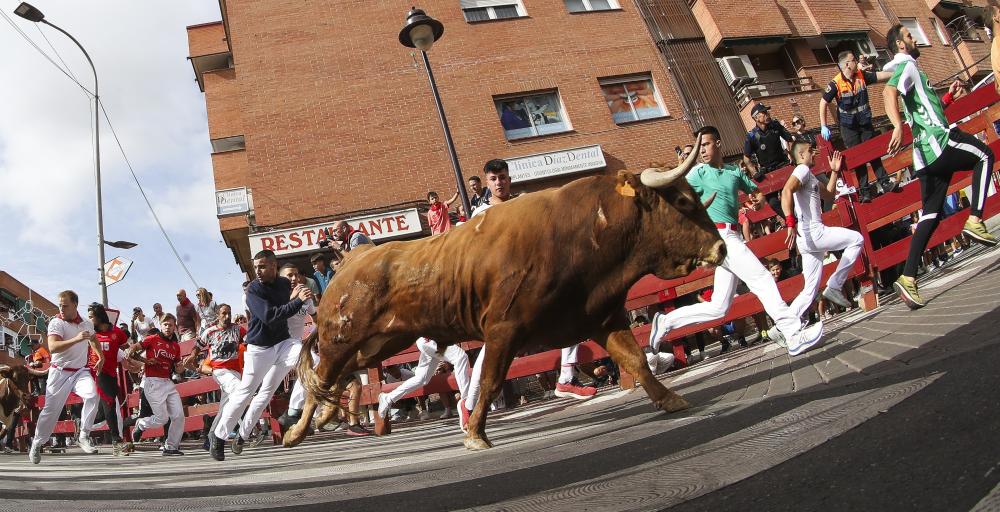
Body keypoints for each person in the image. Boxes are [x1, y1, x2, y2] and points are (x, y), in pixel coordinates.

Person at [647, 128, 824, 358]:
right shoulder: (698, 173)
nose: (702, 151)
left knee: (719, 307)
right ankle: (792, 334)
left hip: (733, 236)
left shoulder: (733, 171)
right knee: (762, 278)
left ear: (718, 144)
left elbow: (756, 193)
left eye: (706, 144)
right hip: (719, 238)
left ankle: (665, 322)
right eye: (699, 147)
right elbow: (674, 193)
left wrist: (758, 201)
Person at [464, 159, 596, 420]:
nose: (499, 182)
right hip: (502, 290)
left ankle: (566, 377)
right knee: (495, 346)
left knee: (572, 310)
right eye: (494, 179)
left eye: (503, 177)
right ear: (487, 183)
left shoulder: (524, 205)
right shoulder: (481, 214)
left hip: (530, 282)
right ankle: (468, 405)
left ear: (509, 179)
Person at [883, 24, 998, 309]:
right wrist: (896, 125)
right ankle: (975, 219)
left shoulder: (910, 71)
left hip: (924, 156)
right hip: (939, 142)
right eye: (910, 35)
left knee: (931, 215)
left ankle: (908, 277)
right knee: (985, 156)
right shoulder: (907, 65)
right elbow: (888, 92)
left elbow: (925, 110)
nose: (914, 39)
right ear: (901, 45)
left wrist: (946, 98)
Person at [209, 249, 313, 461]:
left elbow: (289, 304)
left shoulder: (284, 284)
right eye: (255, 267)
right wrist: (297, 301)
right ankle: (218, 436)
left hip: (284, 342)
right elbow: (270, 316)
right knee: (246, 393)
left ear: (274, 267)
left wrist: (296, 297)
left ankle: (293, 411)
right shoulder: (253, 291)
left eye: (262, 266)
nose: (257, 271)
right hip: (260, 348)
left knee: (312, 360)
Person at [781, 143, 864, 320]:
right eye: (810, 151)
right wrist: (790, 222)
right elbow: (787, 190)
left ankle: (783, 325)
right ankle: (835, 285)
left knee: (810, 289)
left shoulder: (809, 176)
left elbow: (829, 194)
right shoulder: (802, 170)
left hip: (806, 239)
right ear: (801, 155)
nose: (814, 153)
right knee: (857, 239)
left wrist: (834, 172)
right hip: (814, 233)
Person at [29, 290, 102, 464]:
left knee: (93, 395)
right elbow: (53, 347)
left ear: (75, 305)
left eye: (65, 305)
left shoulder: (86, 323)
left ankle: (83, 435)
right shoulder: (56, 322)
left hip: (80, 371)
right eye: (60, 305)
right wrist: (76, 339)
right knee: (51, 411)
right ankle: (37, 443)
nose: (61, 309)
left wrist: (101, 356)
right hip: (59, 372)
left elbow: (93, 339)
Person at [819, 49, 897, 203]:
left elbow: (880, 76)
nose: (856, 62)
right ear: (847, 64)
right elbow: (823, 103)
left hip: (864, 122)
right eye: (854, 60)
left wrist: (897, 73)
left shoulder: (861, 76)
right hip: (848, 127)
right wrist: (823, 125)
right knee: (858, 157)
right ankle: (865, 192)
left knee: (873, 152)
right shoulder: (836, 83)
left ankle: (885, 182)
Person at [377, 338, 472, 431]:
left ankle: (388, 398)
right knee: (460, 357)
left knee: (422, 378)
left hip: (428, 339)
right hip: (430, 339)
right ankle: (466, 403)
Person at [125, 314, 186, 456]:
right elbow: (131, 351)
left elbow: (177, 368)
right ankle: (141, 424)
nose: (168, 327)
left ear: (174, 327)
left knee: (179, 415)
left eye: (171, 325)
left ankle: (171, 447)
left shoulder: (175, 346)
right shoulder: (152, 338)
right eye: (165, 324)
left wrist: (181, 367)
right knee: (162, 419)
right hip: (152, 382)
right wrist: (146, 361)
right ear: (161, 325)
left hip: (168, 382)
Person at [194, 304, 246, 446]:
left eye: (229, 313)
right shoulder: (210, 332)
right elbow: (198, 347)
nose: (227, 316)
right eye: (224, 313)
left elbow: (250, 342)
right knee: (240, 391)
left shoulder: (238, 329)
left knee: (225, 407)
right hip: (219, 370)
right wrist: (192, 358)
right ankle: (242, 432)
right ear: (217, 315)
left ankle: (210, 438)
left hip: (235, 372)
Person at [87, 303, 130, 456]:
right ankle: (116, 442)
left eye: (91, 317)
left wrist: (132, 359)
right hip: (96, 372)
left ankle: (82, 424)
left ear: (100, 317)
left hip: (112, 374)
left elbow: (125, 347)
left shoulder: (117, 332)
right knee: (110, 404)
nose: (89, 320)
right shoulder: (90, 333)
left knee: (104, 409)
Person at [743, 104, 794, 216]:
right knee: (773, 203)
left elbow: (790, 140)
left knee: (789, 194)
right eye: (764, 113)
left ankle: (796, 219)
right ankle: (790, 220)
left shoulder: (776, 126)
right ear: (756, 118)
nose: (767, 114)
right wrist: (754, 172)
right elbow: (746, 159)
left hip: (783, 166)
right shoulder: (751, 136)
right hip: (767, 173)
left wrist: (793, 156)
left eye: (767, 112)